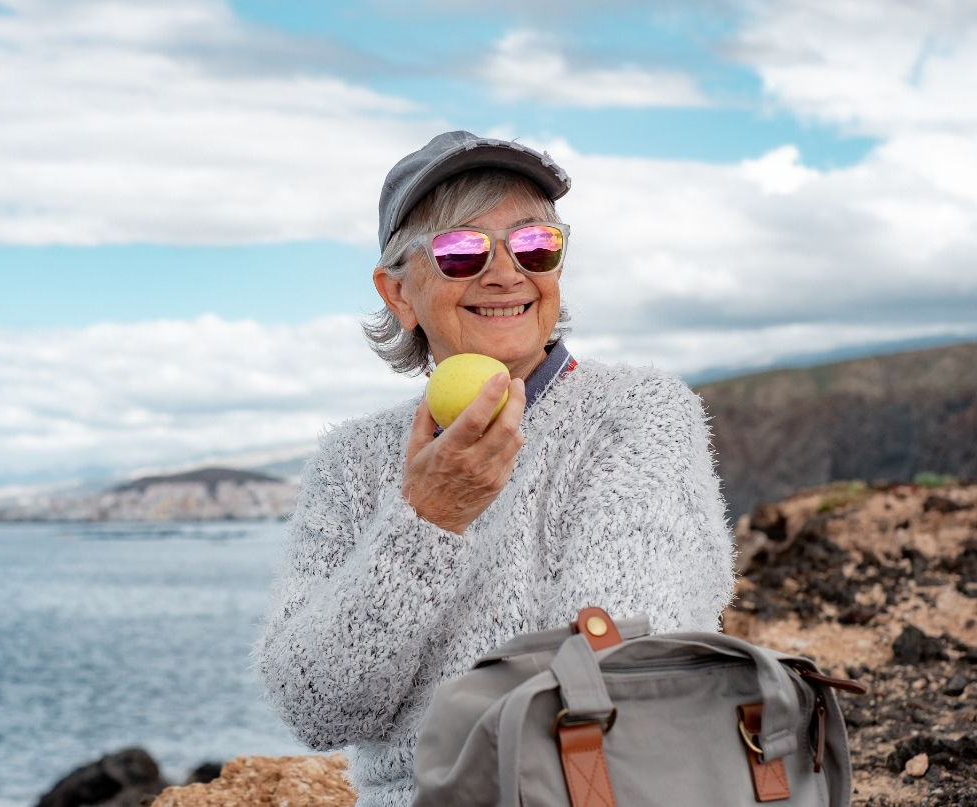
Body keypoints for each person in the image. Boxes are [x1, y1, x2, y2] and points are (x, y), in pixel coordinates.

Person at [254, 131, 735, 807]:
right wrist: (427, 521)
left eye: (535, 244)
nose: (506, 273)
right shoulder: (353, 460)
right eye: (460, 251)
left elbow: (619, 661)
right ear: (398, 293)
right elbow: (317, 704)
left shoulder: (641, 410)